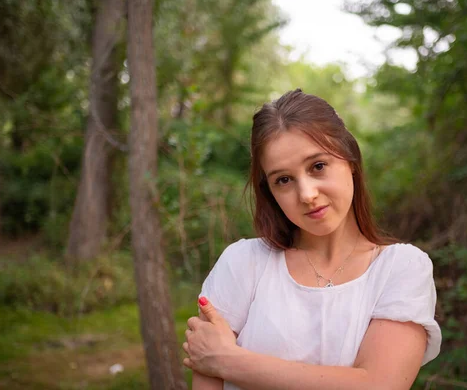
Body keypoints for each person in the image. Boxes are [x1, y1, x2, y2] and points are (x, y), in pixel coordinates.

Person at [182, 89, 441, 390]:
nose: (306, 194)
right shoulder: (243, 263)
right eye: (284, 180)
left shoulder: (401, 268)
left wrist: (228, 361)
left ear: (351, 161)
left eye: (318, 166)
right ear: (270, 193)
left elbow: (379, 385)